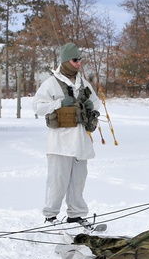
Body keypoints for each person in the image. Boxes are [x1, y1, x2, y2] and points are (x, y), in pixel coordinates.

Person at [33, 42, 99, 225]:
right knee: (57, 181)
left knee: (78, 180)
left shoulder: (83, 84)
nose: (79, 63)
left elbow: (96, 101)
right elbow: (37, 106)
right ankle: (50, 216)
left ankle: (75, 215)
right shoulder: (51, 84)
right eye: (75, 60)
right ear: (65, 61)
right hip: (59, 142)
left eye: (80, 60)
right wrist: (59, 104)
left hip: (80, 142)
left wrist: (91, 106)